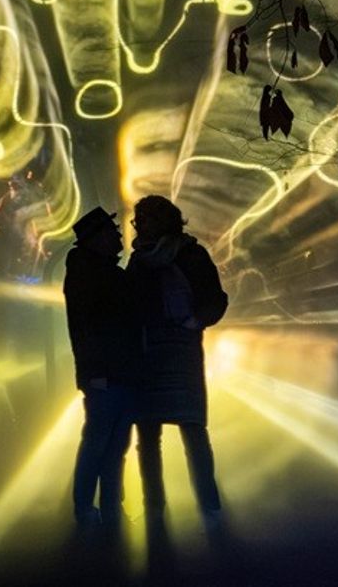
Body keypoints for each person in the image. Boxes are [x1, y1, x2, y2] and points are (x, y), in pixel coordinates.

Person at [127, 194, 228, 523]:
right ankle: (169, 506)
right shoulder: (173, 255)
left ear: (161, 221)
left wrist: (193, 321)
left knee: (186, 431)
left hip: (171, 351)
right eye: (137, 219)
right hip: (155, 352)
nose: (138, 224)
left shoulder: (164, 257)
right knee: (170, 432)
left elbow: (214, 300)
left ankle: (193, 506)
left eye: (143, 219)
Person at [63, 205, 140, 530]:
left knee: (107, 444)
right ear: (96, 239)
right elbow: (86, 327)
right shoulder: (92, 273)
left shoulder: (94, 270)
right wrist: (96, 373)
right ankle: (91, 510)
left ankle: (104, 510)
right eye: (111, 231)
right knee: (103, 445)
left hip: (112, 374)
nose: (119, 234)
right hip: (109, 375)